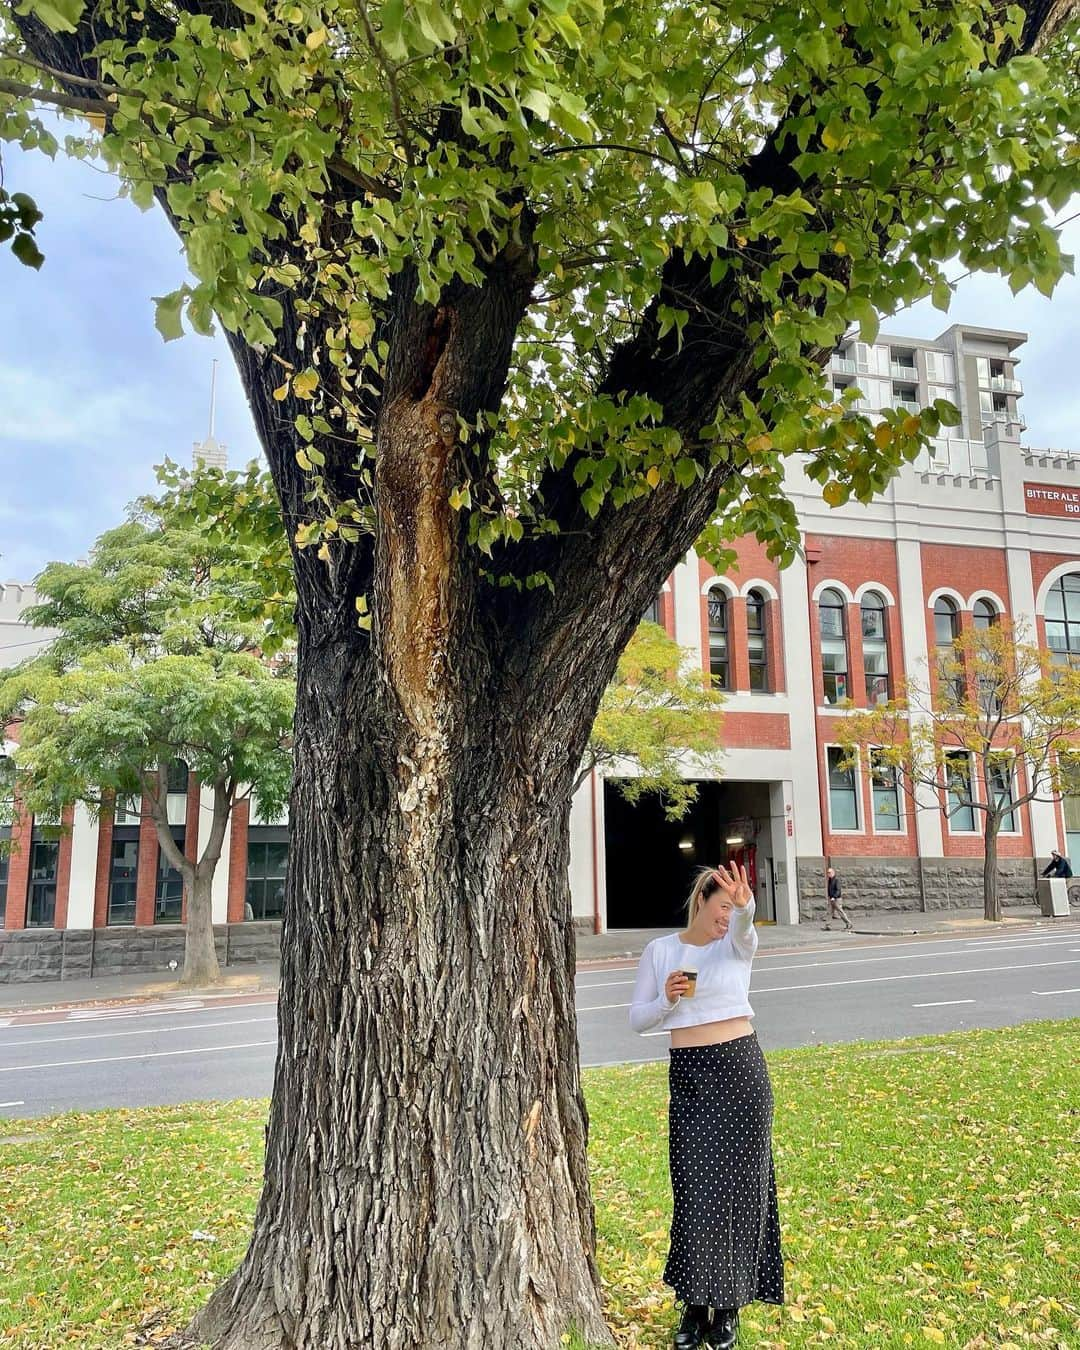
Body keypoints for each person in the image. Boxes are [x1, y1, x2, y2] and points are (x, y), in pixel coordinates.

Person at [629, 864, 784, 1349]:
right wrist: (668, 1002)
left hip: (740, 1072)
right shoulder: (661, 951)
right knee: (694, 1191)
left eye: (730, 910)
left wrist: (745, 907)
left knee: (740, 1192)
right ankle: (695, 1307)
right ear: (701, 901)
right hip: (692, 1076)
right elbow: (638, 1019)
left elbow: (745, 928)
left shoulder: (735, 943)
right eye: (720, 908)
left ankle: (730, 1310)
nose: (724, 918)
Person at [823, 866, 853, 931]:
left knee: (840, 912)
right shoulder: (829, 880)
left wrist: (834, 897)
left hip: (836, 899)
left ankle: (849, 923)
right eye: (828, 873)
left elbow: (838, 890)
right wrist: (829, 897)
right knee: (829, 912)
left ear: (833, 873)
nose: (828, 874)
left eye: (830, 872)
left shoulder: (837, 880)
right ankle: (828, 926)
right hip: (831, 899)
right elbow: (829, 889)